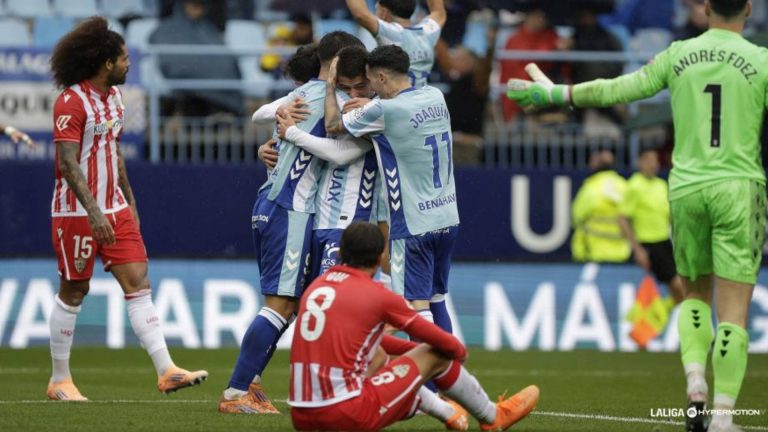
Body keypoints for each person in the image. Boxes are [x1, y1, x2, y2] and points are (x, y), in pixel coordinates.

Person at [507, 1, 766, 430]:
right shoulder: (761, 60)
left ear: (704, 8)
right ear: (750, 8)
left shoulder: (679, 54)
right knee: (734, 313)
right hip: (738, 187)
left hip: (685, 188)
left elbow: (618, 89)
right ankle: (722, 417)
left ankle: (696, 384)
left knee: (695, 295)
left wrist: (556, 93)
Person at [46, 17, 207, 401]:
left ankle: (167, 370)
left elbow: (114, 151)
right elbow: (68, 164)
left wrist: (129, 201)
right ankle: (59, 381)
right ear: (105, 63)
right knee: (75, 289)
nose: (129, 63)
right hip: (75, 213)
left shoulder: (116, 99)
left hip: (115, 208)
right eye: (124, 58)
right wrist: (94, 213)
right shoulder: (71, 101)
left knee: (138, 283)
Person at [219, 31, 366, 415]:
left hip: (271, 202)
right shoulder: (341, 104)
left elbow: (261, 114)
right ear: (339, 63)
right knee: (281, 304)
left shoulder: (297, 98)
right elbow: (343, 150)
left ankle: (250, 381)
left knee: (294, 301)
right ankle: (236, 394)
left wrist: (274, 141)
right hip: (291, 208)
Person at [289, 221, 539, 431]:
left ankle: (448, 412)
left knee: (377, 357)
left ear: (341, 254)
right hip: (343, 413)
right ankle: (493, 417)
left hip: (301, 415)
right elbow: (443, 342)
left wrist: (409, 351)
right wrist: (455, 353)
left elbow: (363, 341)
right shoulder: (376, 294)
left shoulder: (318, 286)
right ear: (380, 258)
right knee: (436, 354)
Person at [325, 45, 459, 334]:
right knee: (436, 300)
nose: (369, 89)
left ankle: (427, 379)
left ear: (382, 77)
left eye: (371, 82)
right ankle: (448, 376)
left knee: (414, 307)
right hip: (447, 217)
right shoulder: (436, 95)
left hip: (413, 224)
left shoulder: (384, 110)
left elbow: (333, 125)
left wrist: (329, 87)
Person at [618, 148, 685, 318]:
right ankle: (653, 314)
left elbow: (670, 217)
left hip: (665, 242)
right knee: (679, 287)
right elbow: (622, 218)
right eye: (648, 160)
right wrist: (637, 249)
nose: (653, 164)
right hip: (649, 244)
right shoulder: (634, 185)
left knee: (682, 290)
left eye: (655, 160)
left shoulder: (662, 185)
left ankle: (652, 315)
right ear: (639, 162)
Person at [347, 0, 446, 88]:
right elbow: (439, 12)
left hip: (397, 102)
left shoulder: (391, 34)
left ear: (383, 13)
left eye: (377, 9)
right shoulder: (427, 32)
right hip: (423, 102)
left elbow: (360, 15)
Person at [570, 150, 630, 263]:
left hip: (592, 252)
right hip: (621, 253)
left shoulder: (591, 187)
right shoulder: (624, 186)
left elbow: (576, 217)